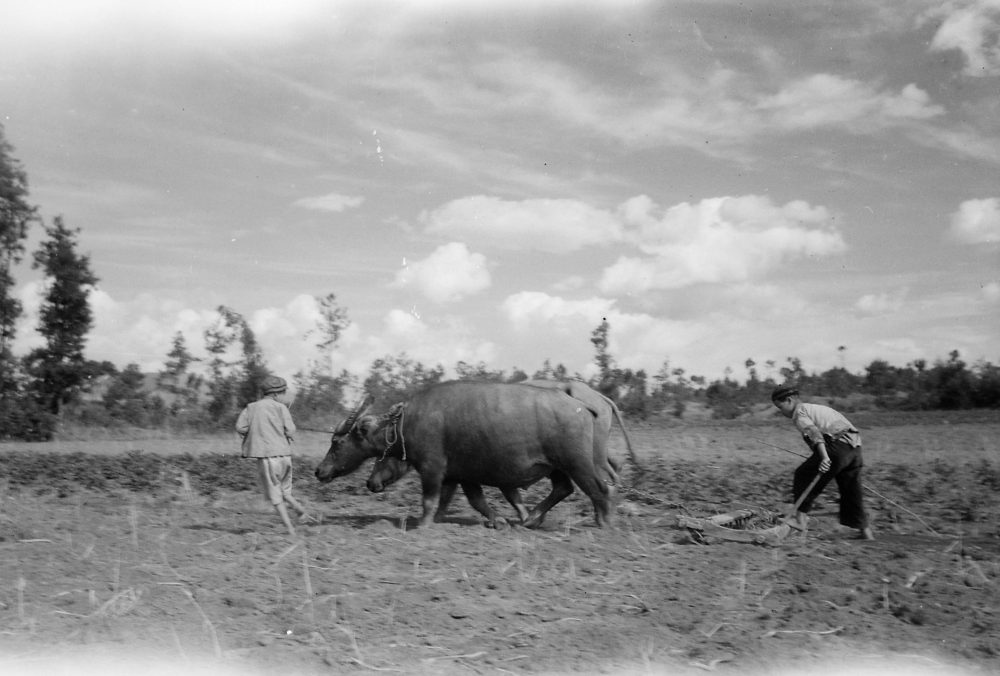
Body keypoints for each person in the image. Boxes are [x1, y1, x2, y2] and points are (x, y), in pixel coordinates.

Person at [771, 385, 874, 540]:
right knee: (851, 490)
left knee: (803, 474)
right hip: (855, 449)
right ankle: (865, 532)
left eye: (780, 407)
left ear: (789, 400)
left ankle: (800, 521)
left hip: (837, 448)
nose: (781, 412)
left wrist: (825, 457)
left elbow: (814, 434)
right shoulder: (815, 408)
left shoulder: (799, 413)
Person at [236, 375, 315, 535]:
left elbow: (240, 427)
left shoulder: (251, 408)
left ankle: (290, 530)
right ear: (276, 394)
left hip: (267, 458)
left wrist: (255, 431)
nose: (284, 396)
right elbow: (291, 430)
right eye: (283, 393)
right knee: (285, 491)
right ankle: (301, 512)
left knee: (275, 496)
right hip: (285, 456)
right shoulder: (282, 408)